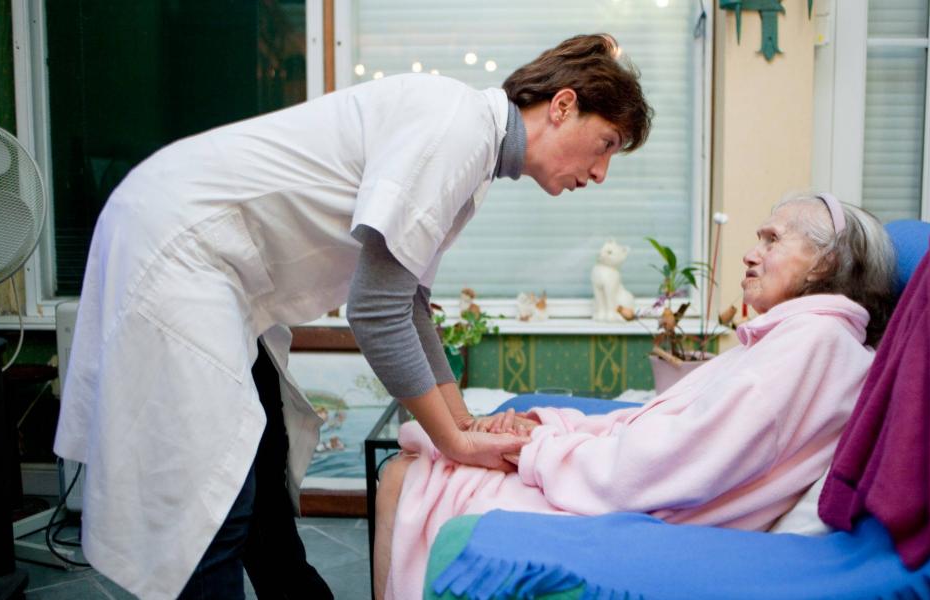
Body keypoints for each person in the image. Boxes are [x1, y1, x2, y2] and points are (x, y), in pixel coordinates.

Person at [52, 34, 652, 600]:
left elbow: (409, 304)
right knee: (213, 502)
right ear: (562, 106)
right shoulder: (458, 129)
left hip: (220, 268)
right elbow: (375, 311)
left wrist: (464, 419)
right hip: (181, 246)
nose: (601, 173)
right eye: (606, 145)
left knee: (262, 471)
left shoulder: (471, 149)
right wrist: (456, 444)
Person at [374, 192, 897, 600]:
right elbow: (657, 427)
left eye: (772, 239)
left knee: (408, 475)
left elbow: (675, 462)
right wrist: (545, 427)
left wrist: (534, 451)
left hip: (648, 521)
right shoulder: (798, 338)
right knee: (427, 460)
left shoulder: (813, 343)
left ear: (824, 263)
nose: (750, 252)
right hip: (629, 491)